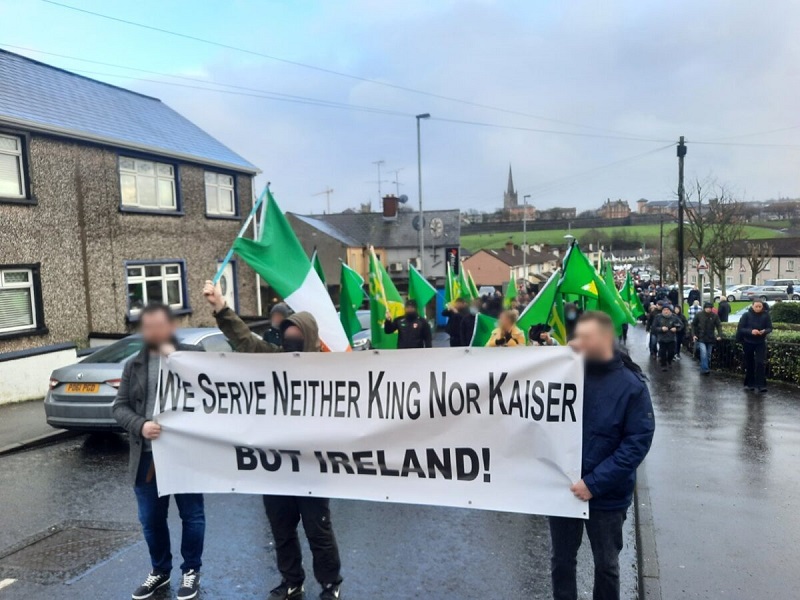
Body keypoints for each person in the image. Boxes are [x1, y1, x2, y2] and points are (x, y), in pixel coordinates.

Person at [203, 281, 343, 600]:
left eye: (296, 335)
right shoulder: (273, 359)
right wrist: (221, 308)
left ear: (308, 337)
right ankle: (291, 580)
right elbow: (244, 340)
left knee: (318, 531)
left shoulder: (330, 371)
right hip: (275, 466)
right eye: (286, 334)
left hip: (311, 467)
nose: (290, 340)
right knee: (281, 530)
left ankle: (330, 583)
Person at [550, 311, 655, 600]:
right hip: (564, 490)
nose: (579, 342)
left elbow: (637, 442)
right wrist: (549, 354)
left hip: (606, 496)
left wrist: (594, 484)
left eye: (587, 337)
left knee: (606, 566)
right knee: (561, 562)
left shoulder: (631, 386)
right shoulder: (564, 372)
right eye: (578, 336)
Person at [112, 304, 205, 600]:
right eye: (148, 327)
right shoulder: (133, 365)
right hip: (147, 457)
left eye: (159, 326)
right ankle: (160, 571)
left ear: (171, 326)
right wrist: (140, 425)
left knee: (192, 516)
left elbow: (214, 391)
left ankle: (191, 571)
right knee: (151, 518)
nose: (154, 332)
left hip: (184, 454)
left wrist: (177, 361)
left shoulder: (193, 357)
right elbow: (118, 407)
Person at [737, 300, 773, 393]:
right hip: (748, 341)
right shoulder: (746, 315)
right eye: (756, 306)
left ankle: (761, 385)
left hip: (760, 342)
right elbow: (741, 328)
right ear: (752, 306)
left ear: (762, 307)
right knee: (750, 363)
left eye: (759, 307)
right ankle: (749, 383)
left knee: (760, 362)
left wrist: (764, 331)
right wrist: (751, 331)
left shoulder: (766, 315)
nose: (758, 308)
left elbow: (770, 328)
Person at [692, 301, 723, 375]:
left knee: (708, 354)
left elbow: (719, 325)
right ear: (704, 308)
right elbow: (693, 324)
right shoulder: (699, 315)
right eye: (707, 308)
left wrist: (720, 335)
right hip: (701, 337)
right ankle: (705, 369)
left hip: (710, 337)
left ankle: (704, 368)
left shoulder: (714, 316)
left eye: (710, 308)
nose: (708, 309)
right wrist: (694, 334)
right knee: (704, 353)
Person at [652, 304, 682, 370]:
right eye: (664, 310)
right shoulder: (658, 317)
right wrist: (661, 329)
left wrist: (676, 329)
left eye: (668, 310)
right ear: (662, 311)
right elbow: (654, 327)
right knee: (662, 352)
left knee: (671, 352)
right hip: (662, 338)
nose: (666, 311)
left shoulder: (674, 317)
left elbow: (681, 325)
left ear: (670, 311)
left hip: (672, 338)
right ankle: (663, 365)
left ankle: (669, 361)